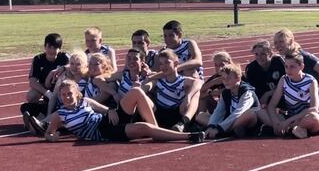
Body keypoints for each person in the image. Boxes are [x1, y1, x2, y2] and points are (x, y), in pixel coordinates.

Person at [44, 79, 205, 144]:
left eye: (70, 93)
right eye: (63, 95)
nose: (67, 97)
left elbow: (106, 109)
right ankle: (189, 136)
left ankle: (158, 132)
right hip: (104, 133)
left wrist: (112, 109)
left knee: (136, 92)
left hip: (107, 120)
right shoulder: (61, 114)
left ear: (77, 93)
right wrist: (52, 138)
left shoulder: (86, 101)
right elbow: (48, 133)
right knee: (143, 127)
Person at [273, 28, 319, 128]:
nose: (278, 45)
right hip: (309, 88)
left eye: (281, 42)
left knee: (314, 115)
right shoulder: (287, 56)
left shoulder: (302, 56)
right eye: (275, 43)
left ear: (290, 41)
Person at [258, 53, 319, 139]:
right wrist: (275, 122)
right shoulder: (284, 80)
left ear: (301, 66)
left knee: (314, 118)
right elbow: (272, 105)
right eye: (286, 66)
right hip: (292, 118)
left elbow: (314, 109)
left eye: (292, 66)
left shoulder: (311, 81)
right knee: (260, 112)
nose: (288, 70)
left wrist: (287, 122)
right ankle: (292, 130)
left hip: (308, 118)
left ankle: (288, 129)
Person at [21, 33, 69, 134]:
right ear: (45, 47)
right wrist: (47, 93)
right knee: (27, 103)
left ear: (59, 49)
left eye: (55, 47)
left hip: (62, 93)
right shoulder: (38, 59)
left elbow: (75, 68)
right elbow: (32, 82)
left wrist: (64, 68)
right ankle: (40, 119)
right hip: (47, 93)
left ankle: (43, 122)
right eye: (49, 47)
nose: (52, 50)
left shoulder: (65, 58)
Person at [197, 63, 259, 139]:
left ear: (238, 78)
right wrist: (211, 125)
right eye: (223, 78)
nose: (225, 81)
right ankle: (228, 130)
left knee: (250, 114)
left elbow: (239, 112)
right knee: (200, 116)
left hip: (244, 119)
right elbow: (218, 111)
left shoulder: (246, 92)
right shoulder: (225, 92)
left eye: (229, 78)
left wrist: (220, 128)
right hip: (230, 119)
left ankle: (225, 131)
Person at [147, 49, 203, 132]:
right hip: (160, 114)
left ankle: (184, 122)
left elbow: (199, 82)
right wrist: (147, 79)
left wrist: (188, 97)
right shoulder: (157, 80)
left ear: (176, 63)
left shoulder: (183, 80)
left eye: (167, 62)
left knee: (195, 92)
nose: (163, 66)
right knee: (142, 94)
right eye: (161, 64)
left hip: (177, 115)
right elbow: (146, 86)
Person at [244, 40, 285, 108]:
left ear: (270, 53)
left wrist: (268, 93)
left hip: (283, 98)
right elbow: (252, 92)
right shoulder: (251, 69)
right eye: (256, 54)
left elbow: (289, 84)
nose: (259, 57)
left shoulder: (279, 62)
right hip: (263, 103)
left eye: (263, 54)